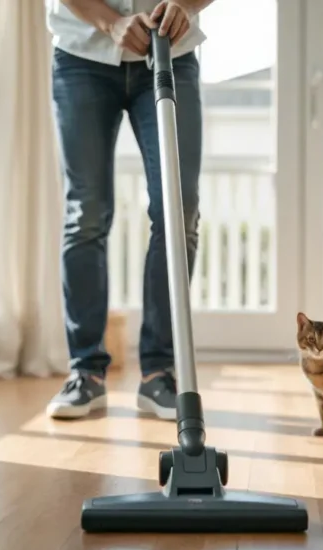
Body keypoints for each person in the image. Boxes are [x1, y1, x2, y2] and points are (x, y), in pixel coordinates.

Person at [44, 0, 214, 421]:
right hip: (82, 54)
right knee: (85, 212)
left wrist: (185, 6)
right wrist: (111, 22)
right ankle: (85, 372)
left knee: (179, 210)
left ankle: (159, 372)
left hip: (169, 52)